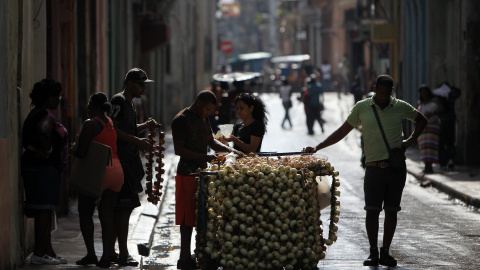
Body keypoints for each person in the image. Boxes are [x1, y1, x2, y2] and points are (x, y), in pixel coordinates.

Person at [303, 74, 428, 267]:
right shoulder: (362, 107)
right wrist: (318, 147)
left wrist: (409, 142)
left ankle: (386, 252)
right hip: (373, 169)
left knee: (392, 211)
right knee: (372, 211)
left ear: (391, 92)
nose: (384, 97)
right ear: (375, 88)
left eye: (387, 94)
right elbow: (342, 131)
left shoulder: (400, 106)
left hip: (396, 169)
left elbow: (421, 120)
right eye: (380, 92)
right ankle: (373, 252)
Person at [171, 90, 243, 270]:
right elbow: (179, 150)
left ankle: (196, 255)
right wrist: (206, 158)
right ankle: (184, 258)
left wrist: (230, 151)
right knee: (186, 219)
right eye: (208, 110)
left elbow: (211, 142)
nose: (209, 113)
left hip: (201, 172)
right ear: (198, 104)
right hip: (187, 173)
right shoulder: (181, 120)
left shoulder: (203, 118)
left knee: (199, 216)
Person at [109, 68, 160, 266]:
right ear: (130, 83)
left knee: (124, 209)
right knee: (122, 209)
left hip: (130, 163)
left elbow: (128, 129)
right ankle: (122, 253)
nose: (144, 88)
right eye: (141, 84)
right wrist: (138, 142)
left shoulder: (131, 103)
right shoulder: (119, 101)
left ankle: (115, 252)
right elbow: (114, 129)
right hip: (121, 162)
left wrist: (146, 126)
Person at [73, 92, 124, 268]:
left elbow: (81, 152)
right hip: (116, 171)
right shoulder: (109, 122)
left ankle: (91, 254)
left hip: (99, 172)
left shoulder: (90, 123)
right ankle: (106, 257)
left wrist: (72, 148)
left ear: (93, 106)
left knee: (85, 212)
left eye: (89, 105)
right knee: (107, 215)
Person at [21, 78, 68, 265]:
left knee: (47, 209)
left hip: (40, 168)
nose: (59, 99)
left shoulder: (36, 113)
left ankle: (48, 250)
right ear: (48, 97)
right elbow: (43, 130)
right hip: (43, 169)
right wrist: (47, 150)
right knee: (43, 209)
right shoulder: (46, 116)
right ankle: (39, 253)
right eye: (57, 95)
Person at [417, 85, 443, 173]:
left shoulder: (435, 101)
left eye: (425, 92)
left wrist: (432, 113)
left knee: (431, 145)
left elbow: (441, 109)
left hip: (433, 126)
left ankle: (430, 166)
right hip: (422, 128)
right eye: (422, 92)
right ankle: (426, 166)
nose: (424, 94)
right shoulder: (419, 103)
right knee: (424, 146)